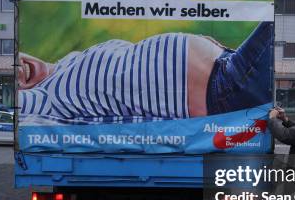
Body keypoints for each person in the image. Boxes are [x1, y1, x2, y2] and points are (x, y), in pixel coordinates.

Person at [18, 22, 273, 124]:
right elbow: (19, 110)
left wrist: (206, 45)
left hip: (225, 64)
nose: (18, 70)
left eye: (14, 62)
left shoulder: (66, 63)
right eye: (12, 80)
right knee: (275, 21)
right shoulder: (47, 98)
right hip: (224, 89)